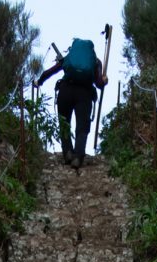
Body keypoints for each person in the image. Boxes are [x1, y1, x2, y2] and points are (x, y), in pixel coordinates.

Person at [38, 37, 108, 169]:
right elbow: (99, 84)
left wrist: (39, 81)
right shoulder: (95, 61)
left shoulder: (69, 59)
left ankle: (68, 153)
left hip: (65, 90)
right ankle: (78, 157)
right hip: (85, 94)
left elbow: (50, 71)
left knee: (64, 123)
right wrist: (105, 80)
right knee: (82, 127)